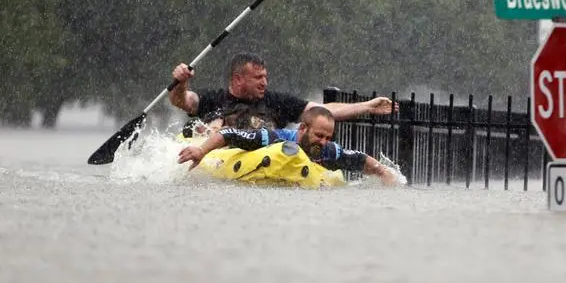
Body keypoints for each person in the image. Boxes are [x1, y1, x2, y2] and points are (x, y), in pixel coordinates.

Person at [170, 52, 397, 133]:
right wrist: (180, 82)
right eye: (258, 78)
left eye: (266, 77)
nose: (264, 83)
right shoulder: (213, 99)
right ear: (238, 79)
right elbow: (182, 101)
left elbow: (322, 111)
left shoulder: (276, 102)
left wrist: (367, 106)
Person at [177, 106, 399, 186]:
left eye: (328, 137)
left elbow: (359, 158)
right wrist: (201, 151)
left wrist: (383, 172)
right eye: (319, 135)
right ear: (303, 128)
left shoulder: (327, 149)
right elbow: (229, 133)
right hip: (240, 159)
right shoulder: (273, 137)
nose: (323, 142)